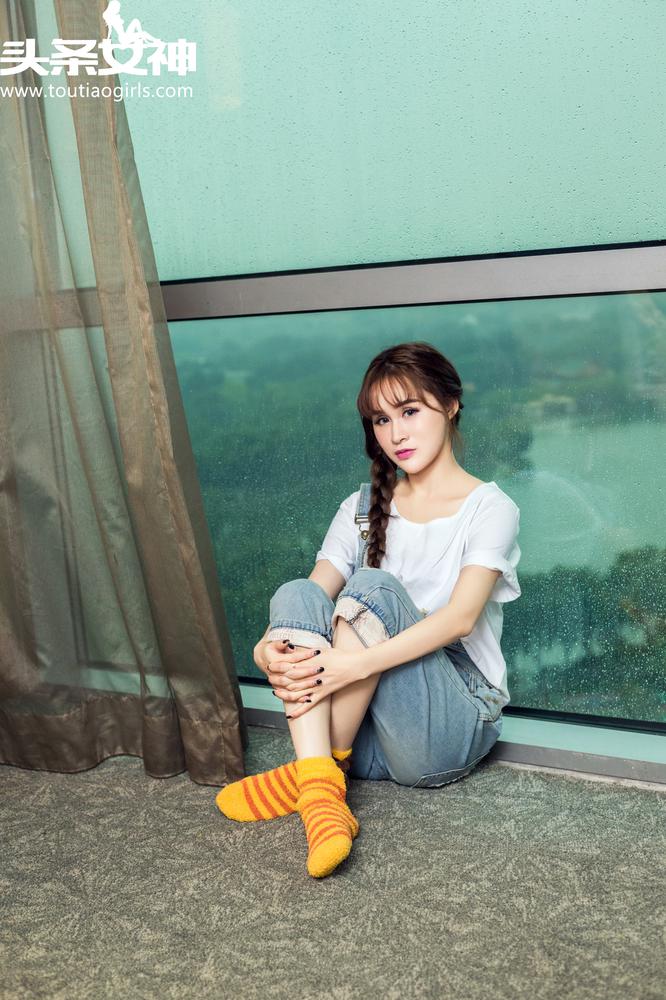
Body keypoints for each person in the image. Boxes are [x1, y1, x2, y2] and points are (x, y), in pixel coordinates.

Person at [216, 341, 522, 879]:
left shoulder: (490, 508)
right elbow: (310, 597)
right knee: (297, 591)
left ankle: (310, 774)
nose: (396, 434)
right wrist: (266, 646)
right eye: (381, 420)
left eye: (410, 411)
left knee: (372, 586)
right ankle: (321, 781)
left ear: (451, 405)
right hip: (367, 744)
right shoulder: (360, 508)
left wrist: (352, 666)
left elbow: (459, 619)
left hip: (442, 731)